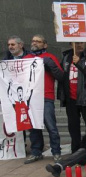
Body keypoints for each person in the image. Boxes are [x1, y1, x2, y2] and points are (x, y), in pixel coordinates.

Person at [23, 34, 63, 164]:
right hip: (30, 98)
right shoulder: (26, 58)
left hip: (46, 97)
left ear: (45, 45)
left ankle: (56, 152)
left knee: (51, 127)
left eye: (38, 41)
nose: (34, 43)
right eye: (33, 41)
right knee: (33, 127)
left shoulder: (50, 58)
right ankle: (36, 152)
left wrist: (50, 65)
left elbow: (61, 76)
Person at [58, 42, 86, 153]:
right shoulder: (66, 57)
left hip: (85, 97)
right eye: (77, 43)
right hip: (70, 98)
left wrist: (79, 63)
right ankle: (76, 150)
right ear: (71, 45)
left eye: (82, 42)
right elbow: (62, 75)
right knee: (73, 126)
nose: (80, 45)